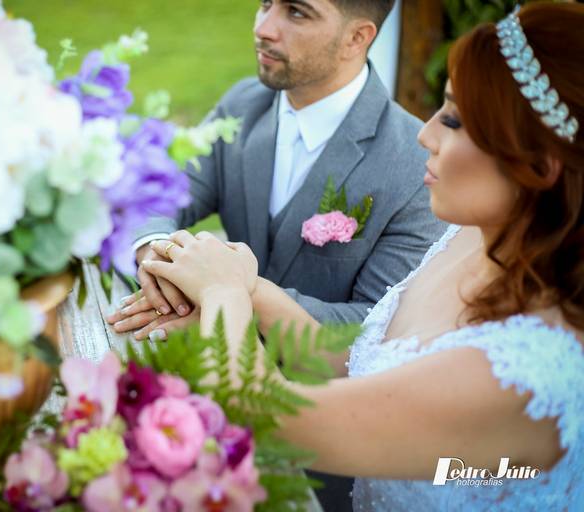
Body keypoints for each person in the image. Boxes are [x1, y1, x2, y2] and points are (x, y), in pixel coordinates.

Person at [139, 3, 584, 510]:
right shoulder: (468, 239)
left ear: (541, 166)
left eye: (455, 120)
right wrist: (249, 290)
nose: (426, 134)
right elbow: (367, 360)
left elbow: (272, 419)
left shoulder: (522, 376)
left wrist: (223, 291)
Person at [109, 0, 445, 337]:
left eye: (297, 12)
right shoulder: (242, 104)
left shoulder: (416, 168)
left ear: (356, 38)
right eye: (266, 3)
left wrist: (221, 296)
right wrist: (155, 251)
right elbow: (159, 194)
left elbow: (379, 323)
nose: (263, 29)